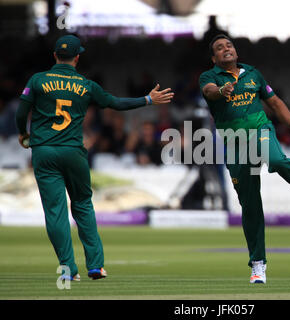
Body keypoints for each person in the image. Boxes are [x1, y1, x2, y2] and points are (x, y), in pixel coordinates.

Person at [15, 35, 174, 281]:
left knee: (55, 211)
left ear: (55, 55)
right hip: (73, 151)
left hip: (44, 151)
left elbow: (21, 112)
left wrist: (24, 134)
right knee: (82, 205)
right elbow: (116, 104)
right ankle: (96, 266)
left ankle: (68, 268)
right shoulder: (86, 85)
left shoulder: (37, 80)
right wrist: (147, 99)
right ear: (78, 57)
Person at [199, 34, 290, 284]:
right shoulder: (209, 77)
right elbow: (210, 93)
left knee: (275, 160)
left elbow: (274, 102)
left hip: (260, 131)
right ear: (214, 58)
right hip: (234, 143)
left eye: (229, 45)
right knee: (250, 204)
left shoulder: (253, 73)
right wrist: (222, 90)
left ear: (236, 51)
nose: (226, 49)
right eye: (219, 48)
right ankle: (257, 264)